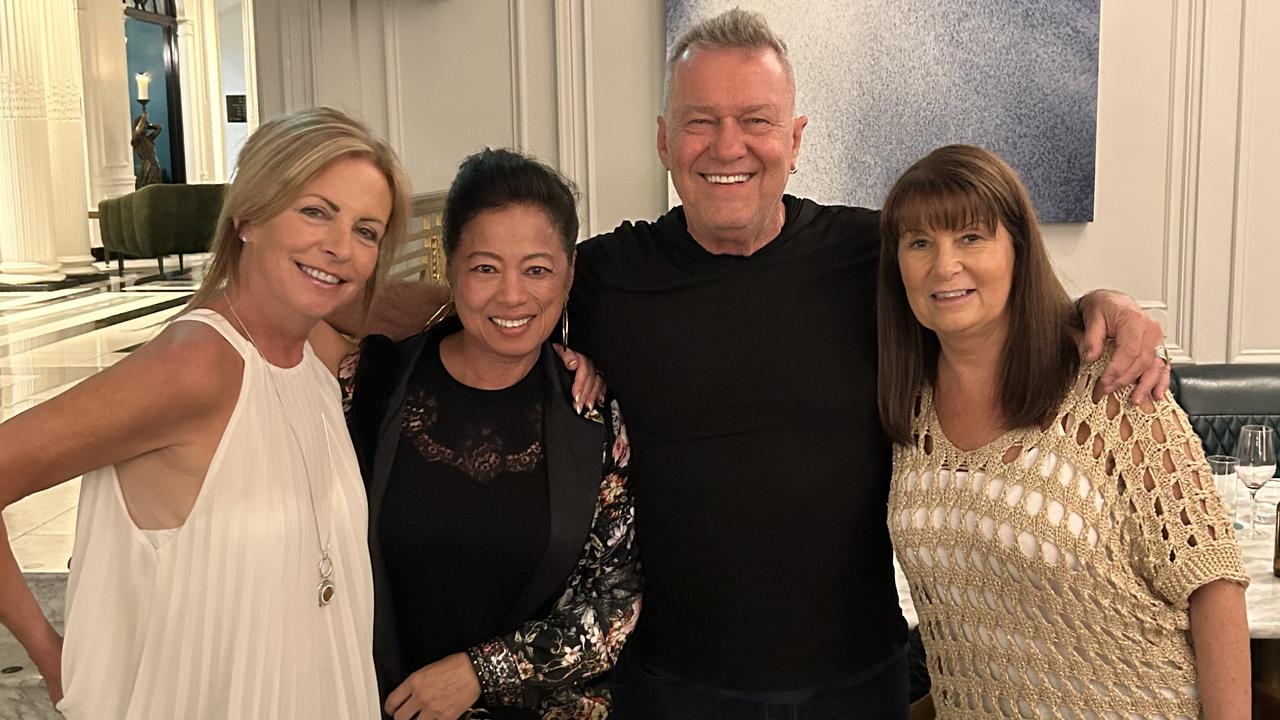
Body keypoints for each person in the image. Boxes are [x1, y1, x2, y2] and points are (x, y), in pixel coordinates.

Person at [340, 9, 1169, 718]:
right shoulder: (603, 275)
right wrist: (386, 307)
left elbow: (983, 287)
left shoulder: (871, 256)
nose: (726, 145)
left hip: (855, 678)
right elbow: (495, 291)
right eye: (699, 121)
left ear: (796, 139)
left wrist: (1104, 305)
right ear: (666, 142)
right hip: (667, 686)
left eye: (756, 119)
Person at [0, 107, 410, 718]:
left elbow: (421, 312)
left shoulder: (312, 352)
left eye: (367, 231)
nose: (340, 248)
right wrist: (57, 659)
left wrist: (550, 336)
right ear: (248, 216)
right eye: (315, 211)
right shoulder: (197, 367)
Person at [879, 144, 1250, 718]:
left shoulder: (1112, 387)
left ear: (1018, 251)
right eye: (920, 243)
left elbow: (1212, 579)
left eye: (971, 237)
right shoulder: (909, 407)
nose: (943, 265)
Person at [332, 148, 641, 720]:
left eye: (537, 269)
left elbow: (614, 603)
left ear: (569, 274)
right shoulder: (368, 388)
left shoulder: (592, 418)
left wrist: (480, 671)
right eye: (485, 267)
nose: (512, 296)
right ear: (449, 266)